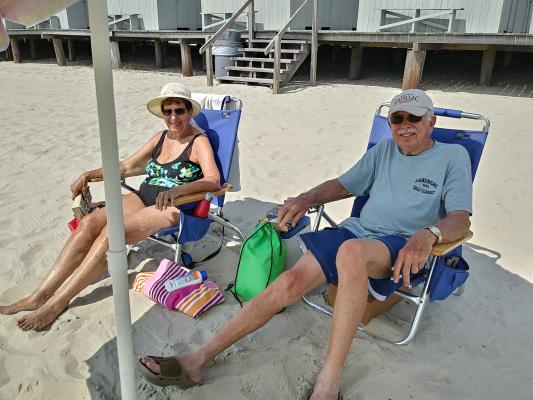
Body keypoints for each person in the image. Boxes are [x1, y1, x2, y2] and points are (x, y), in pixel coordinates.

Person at [138, 89, 473, 399]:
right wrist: (305, 199)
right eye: (397, 118)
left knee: (351, 252)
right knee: (290, 281)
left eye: (414, 117)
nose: (405, 124)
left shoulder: (453, 156)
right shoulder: (384, 150)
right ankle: (197, 360)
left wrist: (430, 234)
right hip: (358, 232)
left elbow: (461, 218)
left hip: (401, 245)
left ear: (431, 122)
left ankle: (330, 380)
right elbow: (343, 185)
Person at [0, 82, 221, 331]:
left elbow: (213, 180)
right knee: (89, 222)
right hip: (144, 196)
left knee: (111, 232)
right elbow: (126, 167)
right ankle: (40, 295)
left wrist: (179, 190)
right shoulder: (161, 137)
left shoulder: (198, 142)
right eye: (167, 111)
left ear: (189, 112)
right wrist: (88, 174)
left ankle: (58, 302)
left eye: (179, 111)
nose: (173, 117)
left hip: (173, 205)